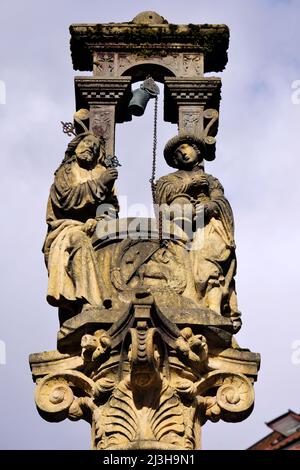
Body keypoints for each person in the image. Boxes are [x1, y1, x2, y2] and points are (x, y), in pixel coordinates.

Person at [155, 133, 241, 329]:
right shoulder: (167, 180)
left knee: (208, 264)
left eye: (185, 148)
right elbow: (161, 201)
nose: (182, 154)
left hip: (208, 225)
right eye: (177, 153)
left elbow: (220, 201)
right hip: (179, 232)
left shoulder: (210, 180)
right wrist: (189, 185)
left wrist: (209, 208)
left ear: (197, 150)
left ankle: (214, 312)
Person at [43, 132, 119, 318]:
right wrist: (100, 185)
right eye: (86, 142)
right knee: (80, 242)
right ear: (75, 146)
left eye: (94, 147)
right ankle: (90, 302)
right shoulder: (65, 172)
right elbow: (66, 200)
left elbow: (111, 208)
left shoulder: (102, 172)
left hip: (98, 228)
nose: (90, 147)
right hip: (67, 227)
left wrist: (99, 220)